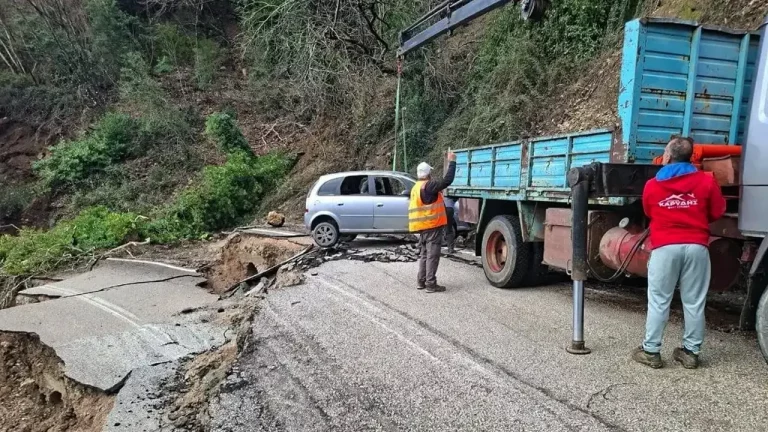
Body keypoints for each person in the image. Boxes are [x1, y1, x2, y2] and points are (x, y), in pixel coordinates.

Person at [633, 136, 726, 369]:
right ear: (691, 156)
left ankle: (651, 351)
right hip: (697, 246)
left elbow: (648, 210)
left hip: (665, 247)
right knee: (694, 302)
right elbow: (717, 210)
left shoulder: (652, 185)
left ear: (668, 156)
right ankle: (690, 352)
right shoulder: (706, 182)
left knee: (659, 301)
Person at [409, 152, 457, 293]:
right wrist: (452, 162)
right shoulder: (429, 186)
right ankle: (431, 284)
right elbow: (447, 181)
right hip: (432, 226)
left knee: (424, 254)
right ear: (428, 173)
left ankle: (421, 281)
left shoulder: (416, 187)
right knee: (432, 255)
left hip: (421, 227)